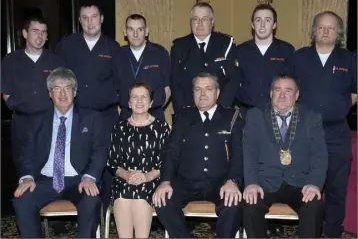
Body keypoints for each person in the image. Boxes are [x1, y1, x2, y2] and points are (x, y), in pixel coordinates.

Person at [12, 67, 107, 238]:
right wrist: (27, 177)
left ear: (75, 91)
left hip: (78, 180)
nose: (62, 94)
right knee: (22, 200)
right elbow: (26, 152)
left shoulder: (92, 118)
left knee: (91, 200)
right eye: (56, 88)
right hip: (44, 181)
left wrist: (90, 176)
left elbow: (100, 151)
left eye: (67, 88)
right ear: (50, 93)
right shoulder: (37, 120)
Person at [153, 72, 243, 238]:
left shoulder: (232, 117)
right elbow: (171, 151)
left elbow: (238, 153)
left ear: (217, 92)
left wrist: (233, 181)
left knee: (233, 203)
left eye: (208, 89)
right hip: (187, 181)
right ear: (192, 93)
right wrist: (165, 181)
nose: (202, 94)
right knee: (163, 200)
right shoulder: (182, 117)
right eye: (197, 89)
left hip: (220, 181)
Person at [293, 11, 357, 237]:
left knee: (337, 188)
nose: (326, 31)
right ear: (314, 31)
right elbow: (288, 92)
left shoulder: (349, 59)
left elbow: (354, 93)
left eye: (331, 28)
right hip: (304, 132)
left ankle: (331, 232)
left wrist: (336, 107)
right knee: (303, 184)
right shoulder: (299, 57)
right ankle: (308, 231)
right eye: (321, 27)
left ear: (338, 32)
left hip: (337, 133)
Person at [242, 74, 328, 238]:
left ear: (297, 95)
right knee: (249, 205)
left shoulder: (311, 117)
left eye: (288, 91)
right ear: (270, 94)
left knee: (314, 206)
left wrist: (314, 183)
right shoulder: (256, 115)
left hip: (299, 184)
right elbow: (249, 151)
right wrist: (251, 183)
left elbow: (319, 154)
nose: (282, 95)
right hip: (265, 182)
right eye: (277, 90)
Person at [56, 3, 121, 211]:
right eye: (85, 17)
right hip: (77, 116)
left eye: (94, 17)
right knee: (77, 159)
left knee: (107, 162)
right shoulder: (66, 45)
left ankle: (105, 209)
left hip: (107, 115)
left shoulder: (113, 48)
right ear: (79, 21)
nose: (90, 21)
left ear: (101, 19)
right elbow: (59, 79)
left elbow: (121, 82)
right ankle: (80, 208)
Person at [107, 82, 171, 238]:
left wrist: (146, 176)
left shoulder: (162, 128)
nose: (139, 101)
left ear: (151, 102)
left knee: (140, 200)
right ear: (129, 103)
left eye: (144, 97)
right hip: (125, 180)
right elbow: (112, 162)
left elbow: (168, 162)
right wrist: (127, 176)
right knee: (122, 199)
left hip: (153, 179)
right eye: (135, 97)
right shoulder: (119, 128)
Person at [1, 16, 65, 163]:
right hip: (22, 124)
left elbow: (65, 92)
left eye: (44, 32)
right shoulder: (10, 61)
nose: (40, 36)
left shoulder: (57, 61)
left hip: (50, 123)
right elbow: (6, 93)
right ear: (24, 34)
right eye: (35, 31)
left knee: (52, 168)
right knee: (24, 170)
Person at [170, 2, 239, 114]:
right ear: (190, 22)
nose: (200, 24)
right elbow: (175, 83)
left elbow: (233, 79)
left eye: (205, 19)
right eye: (195, 19)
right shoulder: (179, 46)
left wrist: (220, 109)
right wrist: (183, 113)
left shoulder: (225, 43)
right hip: (188, 112)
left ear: (212, 22)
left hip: (220, 111)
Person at [236, 4, 295, 114]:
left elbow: (292, 82)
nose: (262, 25)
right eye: (258, 20)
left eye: (267, 20)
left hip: (278, 113)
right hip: (247, 113)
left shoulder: (287, 50)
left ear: (274, 25)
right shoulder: (240, 51)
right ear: (253, 25)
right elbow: (233, 81)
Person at [116, 14, 171, 121]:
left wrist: (151, 108)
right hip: (127, 117)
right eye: (131, 29)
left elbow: (167, 89)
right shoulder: (118, 55)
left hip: (154, 116)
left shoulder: (160, 53)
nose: (135, 34)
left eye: (140, 29)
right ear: (125, 32)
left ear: (146, 31)